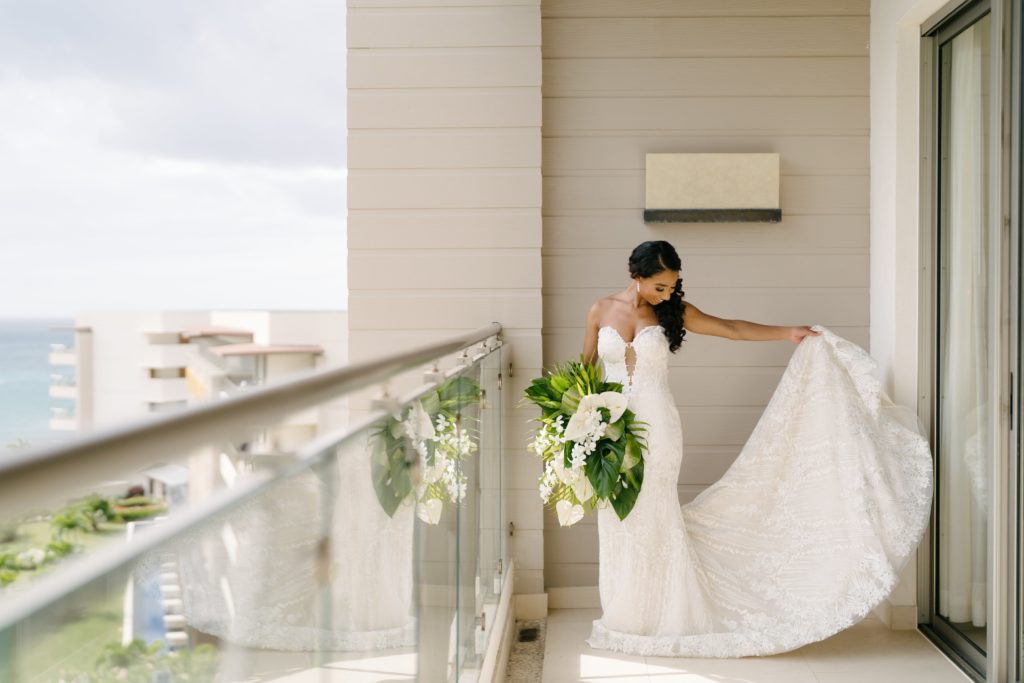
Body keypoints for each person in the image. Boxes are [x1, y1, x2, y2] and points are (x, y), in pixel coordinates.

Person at [580, 240, 933, 657]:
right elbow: (582, 372)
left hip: (657, 429)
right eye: (660, 287)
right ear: (634, 275)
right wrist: (575, 426)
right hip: (610, 430)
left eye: (673, 287)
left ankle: (666, 614)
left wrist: (789, 333)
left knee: (654, 515)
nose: (668, 295)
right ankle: (626, 613)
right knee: (616, 517)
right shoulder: (600, 310)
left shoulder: (672, 312)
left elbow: (730, 328)